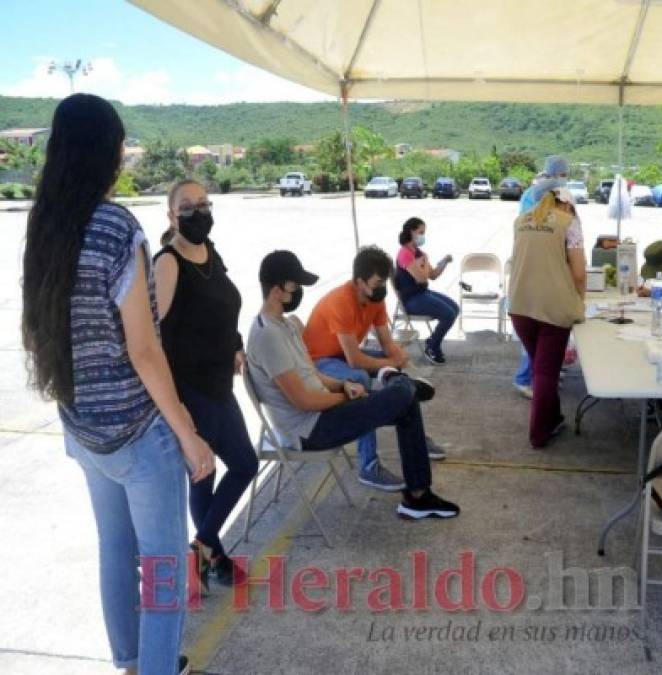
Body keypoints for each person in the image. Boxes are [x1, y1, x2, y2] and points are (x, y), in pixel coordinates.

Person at [21, 94, 213, 675]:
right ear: (106, 152)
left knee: (115, 552)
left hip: (82, 427)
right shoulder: (117, 227)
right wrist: (188, 435)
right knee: (162, 568)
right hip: (135, 434)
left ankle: (131, 663)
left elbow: (38, 330)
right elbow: (145, 349)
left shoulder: (46, 221)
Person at [246, 250, 460, 519]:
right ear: (277, 291)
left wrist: (343, 386)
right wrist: (347, 398)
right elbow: (303, 401)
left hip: (323, 413)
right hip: (310, 430)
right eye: (295, 286)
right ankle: (397, 384)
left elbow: (312, 374)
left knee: (404, 400)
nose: (299, 292)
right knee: (403, 393)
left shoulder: (284, 326)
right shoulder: (267, 336)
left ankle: (418, 497)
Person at [154, 179, 258, 589]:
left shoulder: (210, 253)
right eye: (187, 206)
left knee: (237, 466)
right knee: (210, 471)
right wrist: (173, 404)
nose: (198, 212)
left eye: (203, 204)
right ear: (171, 216)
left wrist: (235, 344)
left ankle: (204, 550)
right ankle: (210, 552)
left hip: (220, 384)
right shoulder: (168, 263)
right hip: (191, 390)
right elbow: (154, 336)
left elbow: (224, 309)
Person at [303, 245, 445, 491]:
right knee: (359, 378)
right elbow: (355, 360)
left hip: (341, 356)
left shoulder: (375, 299)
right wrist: (390, 364)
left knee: (401, 376)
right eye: (377, 283)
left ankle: (415, 433)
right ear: (359, 282)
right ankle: (368, 466)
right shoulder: (341, 302)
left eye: (384, 282)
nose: (382, 288)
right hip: (320, 361)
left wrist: (404, 363)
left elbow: (387, 344)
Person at [508, 155, 586, 448]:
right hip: (552, 309)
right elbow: (579, 273)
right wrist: (580, 303)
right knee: (545, 373)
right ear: (564, 202)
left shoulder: (521, 222)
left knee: (542, 368)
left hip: (519, 307)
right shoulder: (569, 223)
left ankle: (553, 419)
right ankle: (539, 434)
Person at [394, 216, 458, 364]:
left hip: (422, 293)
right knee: (448, 314)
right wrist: (425, 261)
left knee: (455, 308)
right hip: (410, 300)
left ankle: (432, 340)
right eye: (421, 232)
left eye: (424, 232)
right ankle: (432, 346)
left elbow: (433, 275)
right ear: (411, 232)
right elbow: (422, 278)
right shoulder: (404, 253)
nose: (423, 236)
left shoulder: (418, 253)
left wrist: (444, 262)